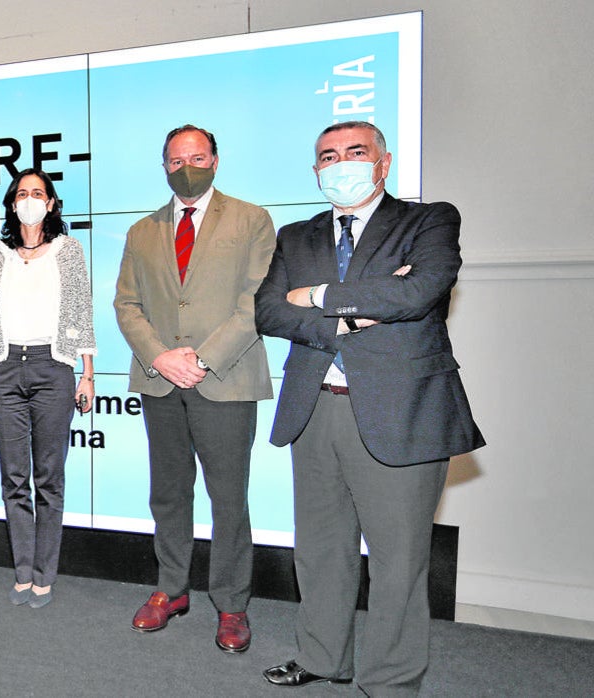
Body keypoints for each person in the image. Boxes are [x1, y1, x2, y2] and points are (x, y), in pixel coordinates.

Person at [256, 121, 484, 695]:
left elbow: (420, 291)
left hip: (402, 411)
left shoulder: (428, 220)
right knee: (321, 549)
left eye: (355, 152)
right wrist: (361, 313)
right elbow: (268, 313)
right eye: (327, 156)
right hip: (315, 410)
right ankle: (323, 656)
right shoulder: (296, 235)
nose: (340, 164)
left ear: (383, 162)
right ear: (315, 171)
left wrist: (318, 298)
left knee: (398, 560)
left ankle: (389, 680)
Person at [113, 125, 275, 651]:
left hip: (224, 380)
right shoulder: (141, 231)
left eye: (198, 157)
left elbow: (257, 301)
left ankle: (230, 603)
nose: (188, 166)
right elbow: (127, 305)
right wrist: (161, 356)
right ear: (164, 166)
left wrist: (201, 359)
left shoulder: (252, 220)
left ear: (216, 160)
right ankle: (171, 589)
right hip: (161, 381)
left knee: (228, 498)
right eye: (177, 159)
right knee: (168, 492)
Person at [0, 169, 95, 609]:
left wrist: (87, 373)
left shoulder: (69, 250)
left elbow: (82, 310)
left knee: (49, 477)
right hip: (6, 367)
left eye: (37, 193)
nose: (29, 199)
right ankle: (22, 569)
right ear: (12, 203)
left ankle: (46, 572)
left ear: (50, 203)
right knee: (13, 476)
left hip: (54, 366)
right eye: (21, 193)